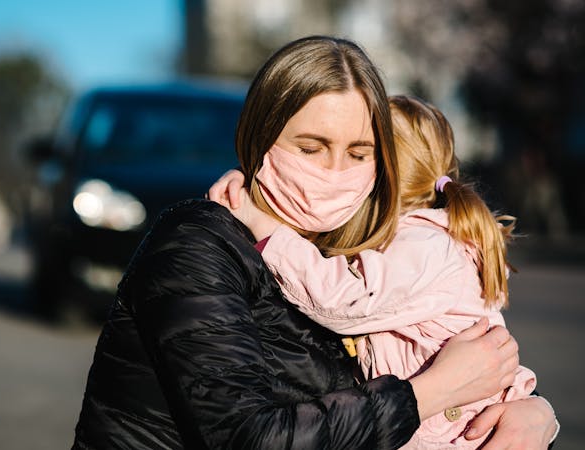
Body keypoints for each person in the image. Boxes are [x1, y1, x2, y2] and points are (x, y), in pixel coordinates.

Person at [72, 36, 557, 449]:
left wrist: (534, 415)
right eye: (311, 148)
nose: (334, 173)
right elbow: (249, 435)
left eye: (358, 153)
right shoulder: (196, 244)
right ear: (261, 138)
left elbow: (452, 343)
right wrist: (432, 392)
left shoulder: (357, 248)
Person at [209, 94, 558, 448]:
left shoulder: (423, 245)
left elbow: (343, 299)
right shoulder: (429, 238)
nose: (336, 172)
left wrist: (265, 227)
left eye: (358, 155)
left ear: (381, 175)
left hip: (451, 431)